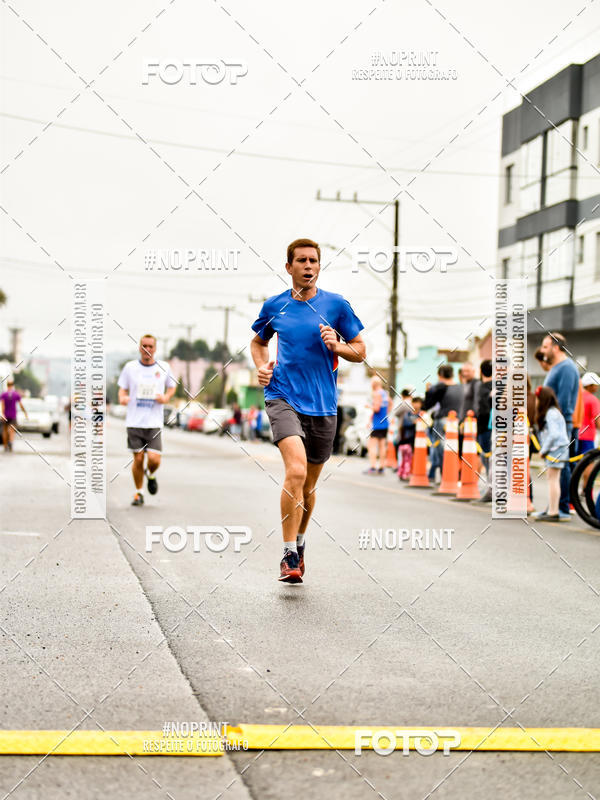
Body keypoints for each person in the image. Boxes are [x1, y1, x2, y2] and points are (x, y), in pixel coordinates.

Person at [250, 237, 365, 583]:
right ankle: (287, 554)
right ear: (289, 267)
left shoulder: (336, 306)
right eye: (301, 261)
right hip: (283, 396)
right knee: (296, 473)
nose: (308, 266)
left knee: (310, 486)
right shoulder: (275, 307)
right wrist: (262, 366)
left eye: (313, 261)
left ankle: (299, 545)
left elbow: (360, 350)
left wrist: (339, 346)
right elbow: (258, 341)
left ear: (319, 266)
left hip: (323, 405)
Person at [118, 334, 176, 506]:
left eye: (150, 346)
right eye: (144, 346)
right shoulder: (130, 368)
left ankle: (150, 474)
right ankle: (138, 493)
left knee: (154, 459)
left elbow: (172, 387)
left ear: (155, 349)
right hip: (134, 421)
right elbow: (122, 390)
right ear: (139, 348)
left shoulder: (163, 367)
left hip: (154, 422)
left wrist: (165, 398)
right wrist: (122, 398)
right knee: (137, 459)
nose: (147, 349)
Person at [539, 332, 580, 520]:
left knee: (560, 467)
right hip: (553, 425)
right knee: (556, 469)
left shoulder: (567, 368)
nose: (542, 350)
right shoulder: (556, 367)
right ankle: (553, 507)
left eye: (546, 346)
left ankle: (561, 509)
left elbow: (562, 401)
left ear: (556, 348)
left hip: (561, 426)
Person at [534, 386, 570, 522]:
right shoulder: (554, 412)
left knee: (553, 480)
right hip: (558, 449)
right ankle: (552, 509)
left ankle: (553, 511)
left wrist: (544, 450)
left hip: (556, 450)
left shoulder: (551, 413)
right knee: (553, 479)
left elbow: (554, 434)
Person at [423, 364, 463, 484]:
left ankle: (444, 474)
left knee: (440, 448)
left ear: (440, 375)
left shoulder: (439, 387)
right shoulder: (461, 387)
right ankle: (454, 474)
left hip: (443, 420)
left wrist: (428, 391)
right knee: (455, 448)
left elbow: (427, 404)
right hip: (458, 420)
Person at [475, 359, 493, 502]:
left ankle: (491, 489)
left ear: (481, 372)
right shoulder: (500, 386)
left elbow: (484, 411)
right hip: (496, 427)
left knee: (488, 459)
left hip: (485, 428)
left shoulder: (482, 388)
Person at [364, 376, 389, 475]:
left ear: (374, 384)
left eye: (371, 383)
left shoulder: (377, 394)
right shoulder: (385, 393)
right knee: (382, 445)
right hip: (384, 422)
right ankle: (382, 467)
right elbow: (389, 404)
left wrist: (368, 406)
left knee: (371, 445)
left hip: (378, 424)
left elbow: (377, 409)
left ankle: (373, 467)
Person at [397, 396, 423, 480]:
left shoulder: (422, 414)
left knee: (416, 456)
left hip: (419, 439)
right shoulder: (408, 414)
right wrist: (415, 422)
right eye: (414, 403)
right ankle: (403, 473)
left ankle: (413, 472)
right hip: (408, 438)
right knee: (406, 457)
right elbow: (406, 424)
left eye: (418, 403)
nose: (416, 405)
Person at [0, 379, 27, 452]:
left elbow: (2, 405)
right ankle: (11, 442)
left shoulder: (3, 394)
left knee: (5, 431)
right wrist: (25, 412)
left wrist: (2, 414)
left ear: (7, 385)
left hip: (5, 415)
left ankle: (5, 446)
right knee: (12, 430)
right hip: (13, 415)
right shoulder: (16, 394)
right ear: (12, 385)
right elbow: (21, 405)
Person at [578, 371, 600, 455]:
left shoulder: (577, 397)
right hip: (588, 436)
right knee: (588, 462)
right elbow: (597, 419)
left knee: (577, 462)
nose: (597, 387)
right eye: (595, 385)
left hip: (576, 434)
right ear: (589, 386)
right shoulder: (593, 400)